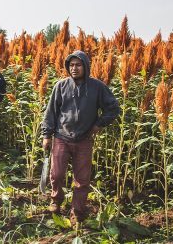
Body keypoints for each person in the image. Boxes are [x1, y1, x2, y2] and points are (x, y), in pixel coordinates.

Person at [42, 50, 119, 224]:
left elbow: (113, 108)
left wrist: (99, 124)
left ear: (85, 66)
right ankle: (56, 200)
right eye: (71, 65)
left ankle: (77, 211)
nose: (74, 68)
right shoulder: (61, 86)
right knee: (57, 174)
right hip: (62, 136)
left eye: (78, 65)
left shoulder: (97, 87)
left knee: (82, 179)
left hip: (84, 139)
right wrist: (47, 135)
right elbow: (51, 112)